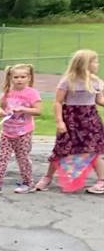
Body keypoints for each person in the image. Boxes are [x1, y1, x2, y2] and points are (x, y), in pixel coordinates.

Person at [39, 49, 104, 194]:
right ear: (84, 64)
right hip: (71, 120)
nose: (97, 64)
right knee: (62, 149)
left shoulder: (96, 81)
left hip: (90, 120)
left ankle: (102, 180)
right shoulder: (67, 81)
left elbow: (100, 100)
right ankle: (47, 177)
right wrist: (59, 121)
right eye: (94, 61)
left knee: (93, 150)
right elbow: (58, 102)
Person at [0, 63, 41, 195]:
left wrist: (23, 109)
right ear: (11, 78)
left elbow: (38, 111)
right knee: (3, 156)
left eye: (23, 77)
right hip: (7, 131)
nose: (19, 80)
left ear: (29, 78)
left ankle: (28, 182)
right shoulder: (7, 93)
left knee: (22, 157)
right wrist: (0, 112)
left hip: (23, 132)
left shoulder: (32, 93)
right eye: (16, 77)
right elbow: (0, 107)